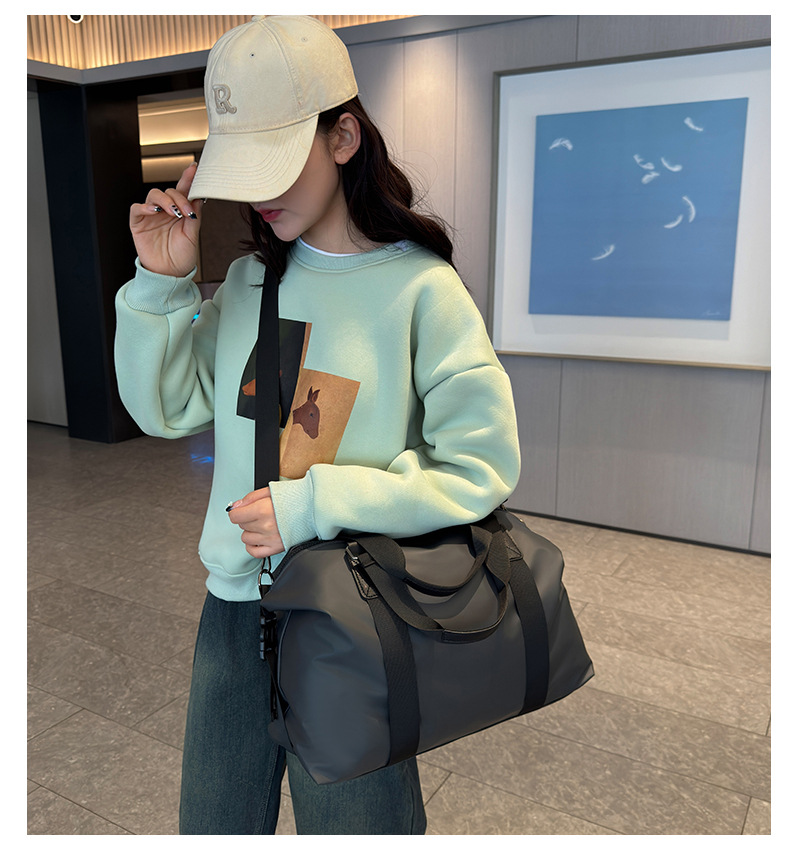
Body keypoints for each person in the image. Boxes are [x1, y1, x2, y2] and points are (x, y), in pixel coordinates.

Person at [115, 15, 520, 836]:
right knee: (213, 823)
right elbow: (166, 410)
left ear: (343, 137)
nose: (258, 194)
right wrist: (160, 286)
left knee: (357, 829)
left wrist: (313, 504)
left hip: (356, 613)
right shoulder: (248, 284)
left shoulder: (422, 291)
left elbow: (478, 467)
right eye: (243, 169)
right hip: (234, 607)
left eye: (275, 163)